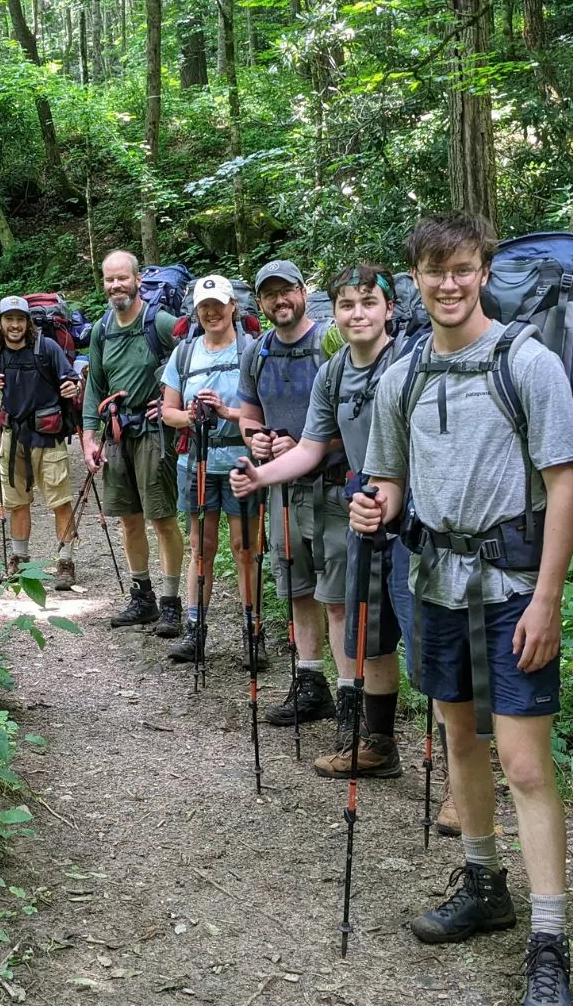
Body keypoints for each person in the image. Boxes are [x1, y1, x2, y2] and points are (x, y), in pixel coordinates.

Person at [351, 211, 573, 1005]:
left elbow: (565, 484)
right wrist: (373, 510)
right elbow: (389, 482)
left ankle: (550, 942)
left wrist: (547, 599)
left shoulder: (529, 362)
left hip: (514, 589)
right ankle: (485, 885)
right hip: (435, 584)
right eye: (434, 270)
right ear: (412, 277)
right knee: (458, 737)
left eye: (464, 268)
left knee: (524, 762)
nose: (450, 284)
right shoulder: (401, 374)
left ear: (484, 271)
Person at [231, 264, 412, 776]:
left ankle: (457, 789)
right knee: (366, 629)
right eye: (348, 305)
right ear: (335, 310)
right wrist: (261, 475)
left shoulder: (408, 364)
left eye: (368, 303)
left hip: (414, 519)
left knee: (422, 648)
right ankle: (376, 743)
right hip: (365, 513)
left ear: (389, 309)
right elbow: (310, 447)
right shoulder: (334, 372)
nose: (358, 313)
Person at [238, 259, 346, 727]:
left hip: (335, 487)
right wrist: (255, 438)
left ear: (304, 292)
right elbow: (248, 414)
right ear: (259, 302)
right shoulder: (258, 352)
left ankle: (351, 700)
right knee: (298, 588)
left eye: (287, 291)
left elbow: (358, 417)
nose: (280, 301)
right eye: (270, 294)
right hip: (282, 488)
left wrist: (308, 444)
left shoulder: (332, 343)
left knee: (337, 597)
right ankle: (310, 683)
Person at [159, 276, 263, 668]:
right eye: (204, 306)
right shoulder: (184, 355)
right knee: (200, 549)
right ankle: (194, 632)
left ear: (233, 306)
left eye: (218, 304)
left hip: (242, 462)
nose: (212, 312)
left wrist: (226, 412)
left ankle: (253, 633)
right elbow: (168, 411)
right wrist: (188, 416)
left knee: (244, 549)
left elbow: (264, 412)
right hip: (196, 462)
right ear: (196, 311)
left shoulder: (252, 350)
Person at [81, 250, 187, 637]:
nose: (115, 286)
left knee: (161, 519)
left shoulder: (157, 322)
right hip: (116, 435)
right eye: (109, 280)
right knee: (128, 519)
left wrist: (174, 403)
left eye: (122, 278)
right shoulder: (102, 329)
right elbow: (95, 385)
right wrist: (89, 437)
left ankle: (172, 603)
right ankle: (143, 597)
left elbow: (190, 358)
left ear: (138, 280)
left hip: (155, 434)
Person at [0, 297, 83, 589]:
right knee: (16, 502)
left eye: (20, 319)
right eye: (9, 319)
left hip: (48, 436)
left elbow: (73, 381)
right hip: (13, 436)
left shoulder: (47, 348)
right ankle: (19, 561)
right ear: (0, 323)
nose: (15, 325)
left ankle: (66, 563)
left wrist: (73, 386)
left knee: (60, 501)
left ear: (28, 322)